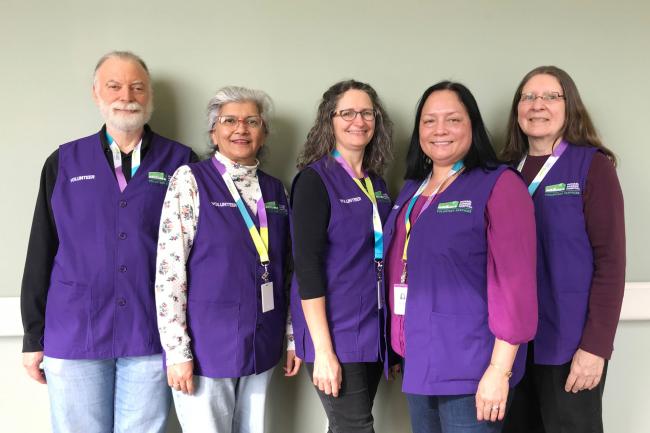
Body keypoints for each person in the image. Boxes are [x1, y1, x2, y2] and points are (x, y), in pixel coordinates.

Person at [20, 51, 196, 433]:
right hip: (75, 331)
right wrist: (32, 336)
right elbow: (41, 250)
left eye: (137, 87)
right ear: (96, 93)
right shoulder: (63, 162)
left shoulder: (181, 162)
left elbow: (196, 257)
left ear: (150, 96)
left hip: (150, 334)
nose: (126, 95)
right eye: (114, 86)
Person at [383, 81, 538, 433]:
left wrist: (499, 371)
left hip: (473, 370)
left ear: (473, 126)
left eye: (452, 119)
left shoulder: (499, 185)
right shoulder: (412, 189)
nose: (439, 130)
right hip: (419, 362)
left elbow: (514, 284)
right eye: (429, 120)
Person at [155, 86, 300, 433]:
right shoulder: (190, 180)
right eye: (229, 120)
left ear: (263, 132)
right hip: (207, 348)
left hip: (262, 343)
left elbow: (289, 271)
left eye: (252, 121)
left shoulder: (276, 189)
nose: (241, 129)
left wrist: (293, 336)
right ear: (213, 131)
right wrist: (177, 351)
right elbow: (169, 269)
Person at [501, 66, 626, 433]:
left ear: (569, 106)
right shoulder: (505, 171)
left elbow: (611, 263)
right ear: (518, 109)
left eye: (550, 96)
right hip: (512, 350)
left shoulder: (593, 166)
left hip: (571, 348)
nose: (538, 105)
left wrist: (596, 347)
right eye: (528, 97)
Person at [290, 79, 393, 433]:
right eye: (347, 113)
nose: (358, 121)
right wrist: (323, 350)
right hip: (334, 330)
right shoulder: (314, 181)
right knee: (356, 427)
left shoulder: (376, 184)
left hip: (372, 325)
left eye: (367, 113)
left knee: (346, 427)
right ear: (329, 121)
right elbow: (307, 268)